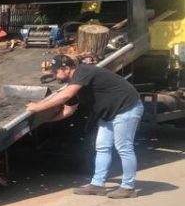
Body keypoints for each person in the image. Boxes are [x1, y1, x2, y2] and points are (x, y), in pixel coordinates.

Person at [26, 54, 144, 198]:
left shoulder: (83, 71)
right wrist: (46, 121)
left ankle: (128, 187)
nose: (54, 75)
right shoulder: (75, 83)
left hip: (126, 108)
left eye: (56, 71)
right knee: (102, 147)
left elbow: (65, 96)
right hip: (108, 114)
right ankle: (97, 185)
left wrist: (38, 107)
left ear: (67, 68)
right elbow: (69, 110)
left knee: (124, 148)